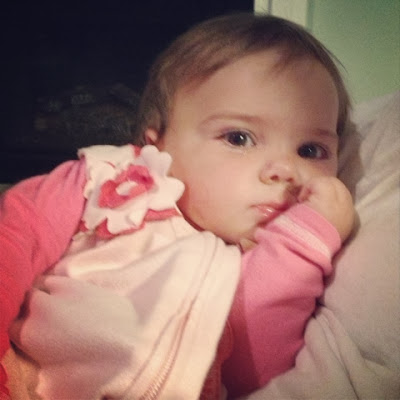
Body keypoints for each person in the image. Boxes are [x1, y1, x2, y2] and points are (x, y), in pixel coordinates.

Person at [0, 13, 354, 400]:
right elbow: (13, 238)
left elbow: (253, 376)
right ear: (157, 144)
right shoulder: (108, 178)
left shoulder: (261, 260)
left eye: (310, 150)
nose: (286, 170)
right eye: (239, 138)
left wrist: (299, 250)